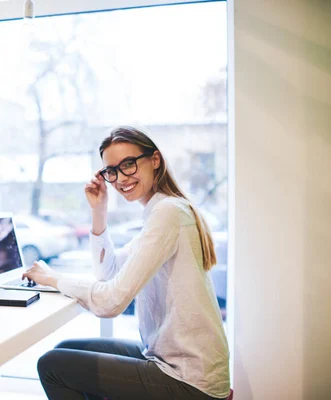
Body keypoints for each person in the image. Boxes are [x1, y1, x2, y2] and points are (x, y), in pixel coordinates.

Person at [23, 126, 230, 400]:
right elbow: (108, 273)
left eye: (129, 165)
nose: (120, 178)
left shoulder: (168, 213)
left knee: (53, 366)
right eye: (112, 171)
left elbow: (111, 302)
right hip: (170, 360)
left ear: (154, 160)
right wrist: (99, 210)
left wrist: (52, 278)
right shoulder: (160, 212)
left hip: (190, 379)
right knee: (66, 348)